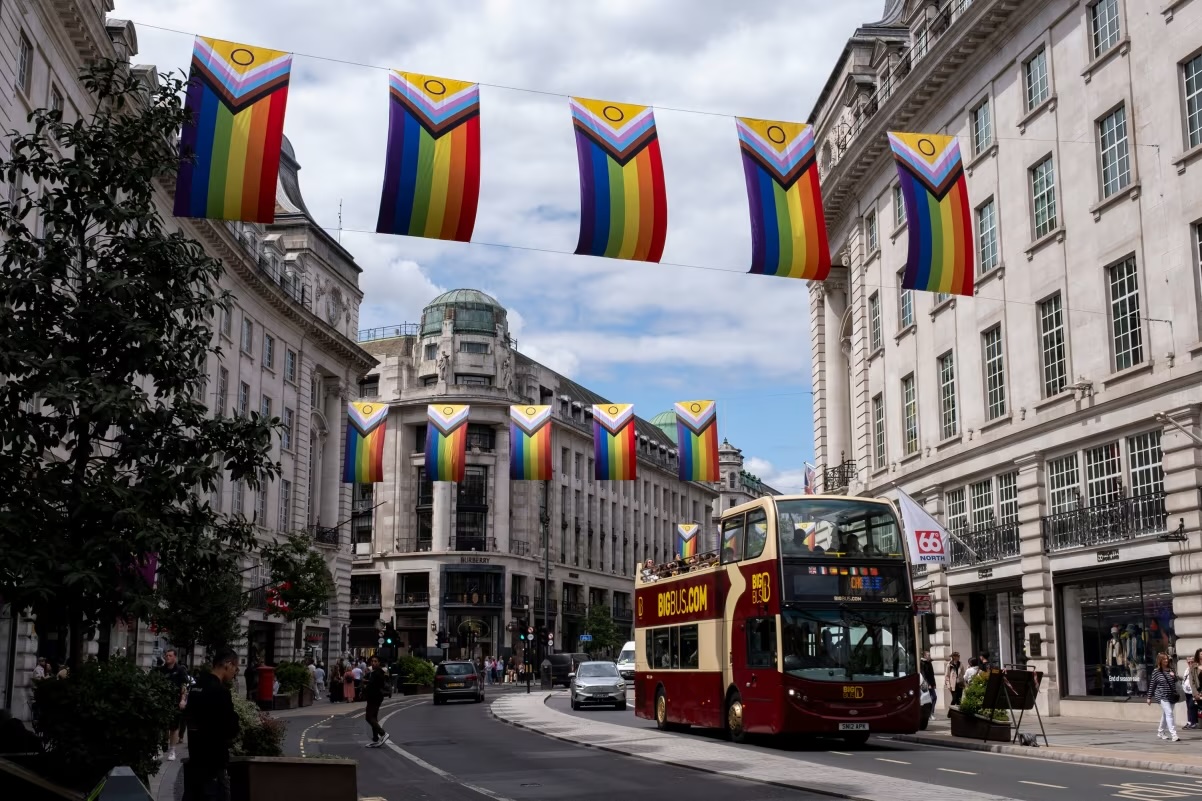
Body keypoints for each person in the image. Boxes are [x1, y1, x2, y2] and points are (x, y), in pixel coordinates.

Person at [182, 648, 240, 801]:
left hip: (195, 756)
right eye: (236, 667)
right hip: (214, 759)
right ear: (227, 664)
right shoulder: (220, 691)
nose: (235, 672)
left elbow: (188, 716)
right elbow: (230, 727)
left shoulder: (195, 687)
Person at [157, 648, 191, 762]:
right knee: (162, 726)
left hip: (174, 702)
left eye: (170, 655)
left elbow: (184, 686)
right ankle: (160, 748)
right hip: (163, 701)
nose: (167, 657)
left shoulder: (180, 670)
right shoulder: (161, 670)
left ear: (175, 657)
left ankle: (172, 750)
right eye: (166, 655)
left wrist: (183, 699)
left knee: (174, 727)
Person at [1147, 651, 1180, 742]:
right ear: (1160, 661)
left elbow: (1176, 683)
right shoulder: (1156, 672)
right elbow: (1152, 685)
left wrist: (1174, 677)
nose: (1166, 660)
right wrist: (1149, 697)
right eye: (1164, 659)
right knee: (1169, 713)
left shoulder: (1171, 670)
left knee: (1166, 714)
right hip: (1161, 695)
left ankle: (1160, 732)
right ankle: (1174, 734)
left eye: (1167, 659)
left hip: (1171, 696)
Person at [363, 656, 390, 748]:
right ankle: (375, 738)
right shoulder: (375, 672)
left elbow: (374, 685)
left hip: (375, 697)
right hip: (374, 697)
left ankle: (383, 734)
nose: (373, 663)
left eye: (375, 661)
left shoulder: (378, 673)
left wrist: (367, 682)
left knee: (369, 717)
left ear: (378, 663)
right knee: (373, 717)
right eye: (372, 661)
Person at [920, 650, 937, 719]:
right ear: (924, 656)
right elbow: (923, 674)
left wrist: (934, 683)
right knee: (930, 698)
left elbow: (932, 674)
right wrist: (928, 684)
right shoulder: (922, 663)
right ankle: (930, 714)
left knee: (934, 697)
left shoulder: (929, 663)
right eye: (928, 655)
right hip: (926, 684)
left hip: (931, 683)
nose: (929, 656)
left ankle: (931, 713)